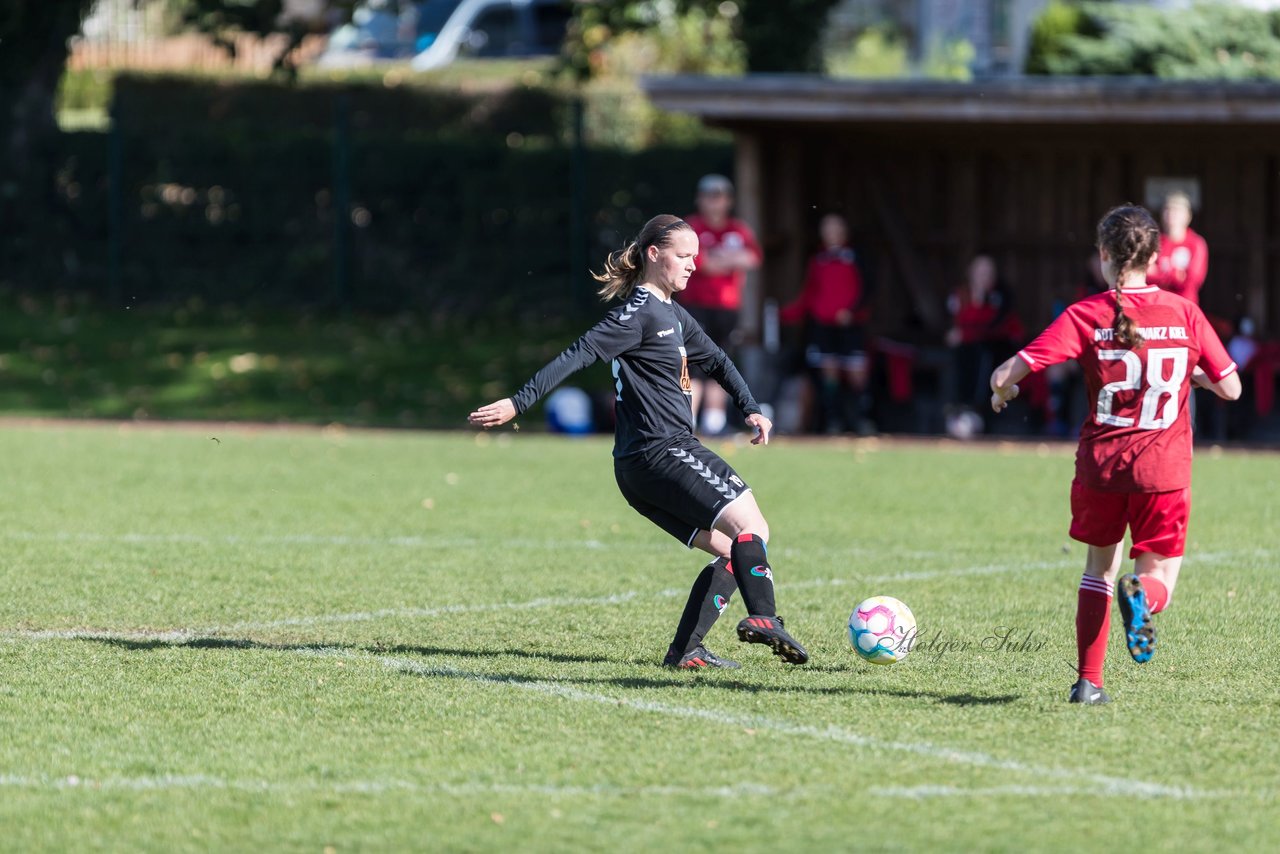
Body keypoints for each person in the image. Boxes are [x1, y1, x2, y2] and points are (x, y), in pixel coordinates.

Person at [468, 214, 808, 669]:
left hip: (638, 468)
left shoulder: (673, 313)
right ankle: (764, 617)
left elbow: (718, 360)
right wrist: (519, 401)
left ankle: (685, 652)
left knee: (733, 551)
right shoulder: (639, 313)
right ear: (654, 254)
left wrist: (749, 406)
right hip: (663, 451)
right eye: (683, 256)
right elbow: (578, 352)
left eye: (696, 257)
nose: (693, 265)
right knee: (754, 529)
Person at [989, 204, 1240, 705]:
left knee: (1097, 569)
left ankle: (1089, 683)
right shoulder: (1186, 312)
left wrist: (1002, 393)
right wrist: (1187, 376)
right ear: (1156, 255)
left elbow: (1007, 373)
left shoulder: (1086, 313)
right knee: (1159, 574)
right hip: (1163, 470)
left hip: (1101, 468)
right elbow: (1231, 388)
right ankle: (1142, 598)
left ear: (1103, 254)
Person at [680, 174, 763, 436]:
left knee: (720, 363)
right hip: (695, 307)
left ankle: (714, 421)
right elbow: (703, 263)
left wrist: (718, 258)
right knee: (691, 366)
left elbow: (752, 258)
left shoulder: (738, 229)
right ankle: (687, 421)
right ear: (699, 200)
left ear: (729, 201)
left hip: (727, 310)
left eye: (720, 198)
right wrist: (728, 259)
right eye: (709, 197)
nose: (714, 204)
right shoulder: (691, 227)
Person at [779, 213, 873, 434]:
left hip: (850, 326)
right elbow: (810, 294)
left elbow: (868, 289)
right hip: (823, 327)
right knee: (829, 375)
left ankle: (861, 420)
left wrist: (852, 312)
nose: (831, 233)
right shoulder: (818, 260)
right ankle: (834, 421)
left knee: (856, 375)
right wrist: (786, 314)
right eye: (827, 228)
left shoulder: (857, 257)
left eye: (836, 228)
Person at [945, 254, 1023, 432]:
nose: (984, 277)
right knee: (960, 355)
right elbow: (954, 324)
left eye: (988, 273)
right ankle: (958, 406)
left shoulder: (1000, 297)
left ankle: (976, 407)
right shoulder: (959, 295)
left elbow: (990, 327)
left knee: (982, 354)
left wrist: (978, 303)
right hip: (967, 348)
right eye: (980, 272)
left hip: (995, 347)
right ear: (971, 273)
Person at [1147, 191, 1208, 305]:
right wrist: (1176, 275)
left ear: (1187, 215)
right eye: (1168, 210)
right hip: (1158, 304)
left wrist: (1160, 273)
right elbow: (1146, 273)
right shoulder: (1155, 242)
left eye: (1177, 210)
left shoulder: (1196, 243)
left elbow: (1192, 281)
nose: (1171, 214)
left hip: (1184, 306)